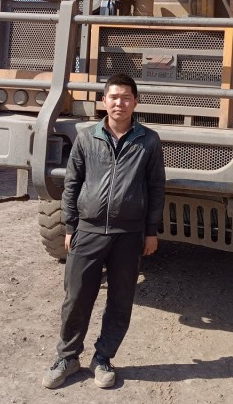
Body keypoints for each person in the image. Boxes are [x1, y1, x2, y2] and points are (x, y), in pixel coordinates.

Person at [42, 73, 165, 390]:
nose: (119, 103)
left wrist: (150, 231)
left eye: (126, 97)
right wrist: (71, 225)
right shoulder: (86, 138)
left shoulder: (149, 141)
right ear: (103, 101)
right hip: (89, 230)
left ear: (136, 102)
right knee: (76, 297)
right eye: (113, 97)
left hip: (129, 234)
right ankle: (68, 357)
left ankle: (103, 359)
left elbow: (156, 188)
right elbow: (72, 184)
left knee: (120, 300)